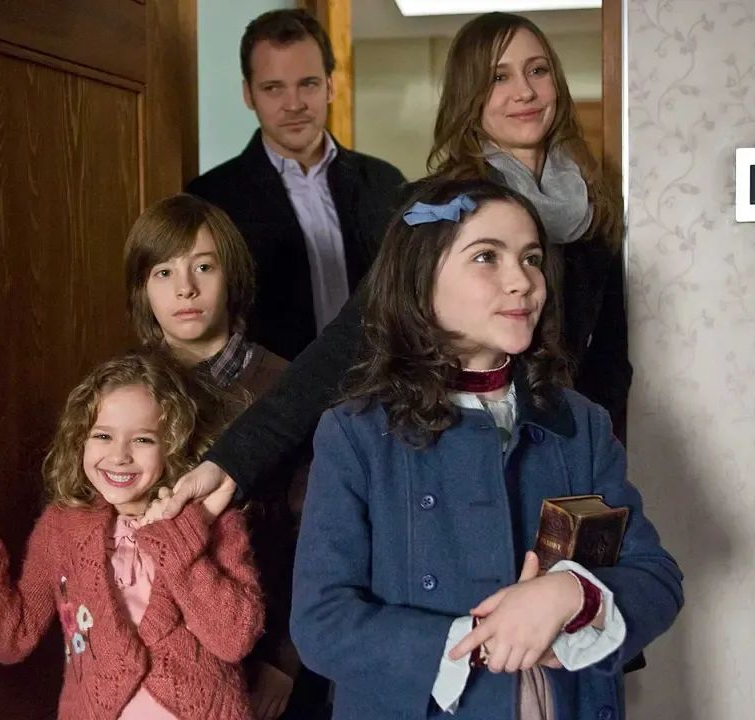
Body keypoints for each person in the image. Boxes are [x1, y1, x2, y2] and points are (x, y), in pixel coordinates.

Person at [163, 11, 630, 545]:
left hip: (558, 456)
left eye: (538, 70)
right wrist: (234, 459)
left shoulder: (596, 203)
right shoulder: (436, 208)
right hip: (454, 455)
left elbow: (609, 358)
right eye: (498, 76)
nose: (523, 90)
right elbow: (349, 340)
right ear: (469, 94)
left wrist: (595, 460)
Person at [290, 177, 681, 719]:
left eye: (531, 259)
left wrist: (572, 595)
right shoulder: (354, 434)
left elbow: (656, 578)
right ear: (420, 279)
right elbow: (321, 622)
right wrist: (476, 639)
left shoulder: (581, 424)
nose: (521, 281)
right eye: (486, 257)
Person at [0, 353, 264, 720]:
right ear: (80, 440)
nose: (119, 456)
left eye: (143, 439)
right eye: (103, 436)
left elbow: (234, 638)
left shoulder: (212, 520)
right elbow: (11, 637)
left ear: (174, 444)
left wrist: (178, 541)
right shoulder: (62, 527)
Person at [122, 193, 314, 719]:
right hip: (148, 660)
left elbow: (315, 534)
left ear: (232, 277)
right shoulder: (122, 388)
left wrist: (285, 658)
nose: (185, 288)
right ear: (142, 289)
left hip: (257, 649)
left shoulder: (287, 389)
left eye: (203, 267)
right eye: (163, 272)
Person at [186, 8, 406, 363]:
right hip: (269, 389)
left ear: (330, 86)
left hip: (378, 382)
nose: (294, 104)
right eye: (273, 88)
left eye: (308, 83)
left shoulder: (386, 182)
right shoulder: (209, 199)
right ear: (248, 94)